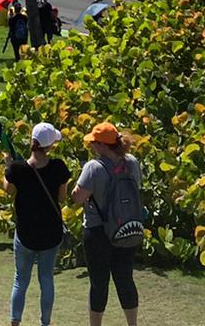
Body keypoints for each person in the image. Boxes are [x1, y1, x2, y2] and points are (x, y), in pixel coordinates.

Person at [70, 122, 143, 326]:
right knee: (125, 279)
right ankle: (132, 324)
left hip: (98, 231)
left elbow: (78, 197)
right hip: (126, 228)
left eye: (94, 142)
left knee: (99, 284)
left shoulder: (94, 167)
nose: (92, 146)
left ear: (102, 145)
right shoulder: (132, 163)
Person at [4, 123, 70, 326]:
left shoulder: (17, 168)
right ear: (49, 146)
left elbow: (7, 189)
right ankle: (45, 323)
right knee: (46, 280)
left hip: (25, 233)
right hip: (51, 234)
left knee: (20, 281)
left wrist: (7, 165)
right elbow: (62, 198)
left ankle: (15, 322)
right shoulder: (58, 167)